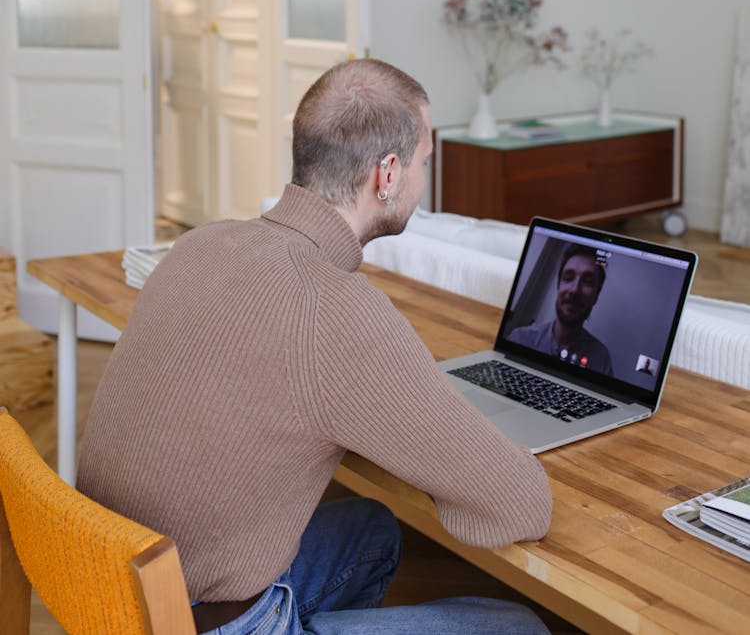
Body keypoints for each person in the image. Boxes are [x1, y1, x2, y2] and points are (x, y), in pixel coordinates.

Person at [78, 58, 552, 634]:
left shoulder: (200, 243)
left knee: (373, 531)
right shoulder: (336, 309)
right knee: (519, 625)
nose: (424, 183)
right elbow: (519, 505)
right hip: (197, 624)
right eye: (426, 162)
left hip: (104, 590)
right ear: (387, 174)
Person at [509, 244, 613, 375]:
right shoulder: (520, 339)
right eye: (568, 278)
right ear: (559, 285)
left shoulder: (601, 359)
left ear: (596, 295)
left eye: (587, 281)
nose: (574, 290)